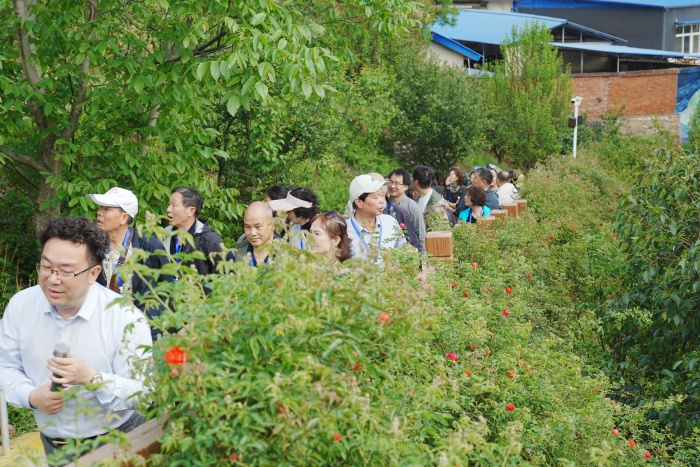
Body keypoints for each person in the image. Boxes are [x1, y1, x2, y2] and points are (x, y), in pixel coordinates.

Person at [0, 217, 151, 465]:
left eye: (66, 271)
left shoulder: (124, 318)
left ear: (93, 273)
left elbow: (143, 395)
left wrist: (92, 378)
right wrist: (31, 396)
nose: (52, 279)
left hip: (119, 440)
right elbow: (5, 366)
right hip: (55, 446)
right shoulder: (21, 305)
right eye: (46, 267)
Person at [86, 187, 172, 340]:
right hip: (102, 329)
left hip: (142, 331)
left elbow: (168, 288)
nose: (99, 212)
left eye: (106, 209)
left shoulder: (150, 247)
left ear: (124, 218)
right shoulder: (92, 246)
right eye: (100, 208)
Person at [164, 186, 225, 275]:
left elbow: (223, 278)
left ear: (191, 211)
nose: (168, 209)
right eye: (169, 205)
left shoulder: (210, 241)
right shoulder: (162, 235)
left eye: (174, 205)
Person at [347, 174, 406, 260]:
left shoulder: (390, 222)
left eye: (382, 195)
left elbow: (404, 253)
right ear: (359, 202)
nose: (382, 201)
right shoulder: (344, 231)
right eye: (376, 197)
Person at [387, 168, 426, 254]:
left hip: (407, 254)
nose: (392, 186)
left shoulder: (413, 207)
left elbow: (421, 235)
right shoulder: (382, 205)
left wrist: (423, 259)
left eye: (397, 183)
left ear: (406, 187)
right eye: (391, 182)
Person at [235, 201, 277, 267]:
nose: (252, 233)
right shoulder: (236, 254)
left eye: (258, 227)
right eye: (247, 227)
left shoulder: (287, 254)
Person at [412, 165, 454, 229]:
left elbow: (440, 232)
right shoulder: (418, 198)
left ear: (416, 182)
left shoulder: (437, 205)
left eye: (412, 178)